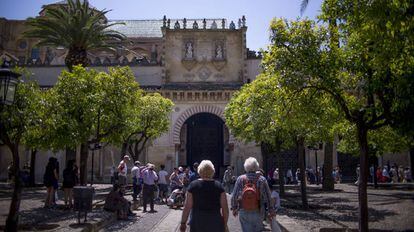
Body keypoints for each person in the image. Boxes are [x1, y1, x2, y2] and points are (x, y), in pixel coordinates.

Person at [180, 160, 229, 232]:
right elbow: (225, 209)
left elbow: (187, 206)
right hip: (215, 221)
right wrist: (225, 224)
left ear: (199, 170)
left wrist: (183, 223)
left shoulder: (193, 185)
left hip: (197, 221)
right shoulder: (219, 186)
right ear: (213, 171)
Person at [231, 157, 275, 232]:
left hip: (243, 209)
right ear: (256, 167)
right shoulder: (262, 179)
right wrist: (271, 209)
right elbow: (268, 196)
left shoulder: (240, 179)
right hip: (258, 210)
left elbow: (234, 195)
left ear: (245, 167)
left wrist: (234, 208)